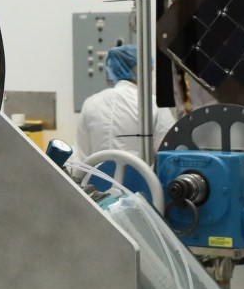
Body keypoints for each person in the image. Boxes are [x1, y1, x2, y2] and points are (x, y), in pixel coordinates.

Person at [69, 44, 174, 186]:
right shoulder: (153, 104)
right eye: (151, 70)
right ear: (141, 70)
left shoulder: (91, 103)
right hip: (142, 192)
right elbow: (168, 155)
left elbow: (80, 157)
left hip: (96, 191)